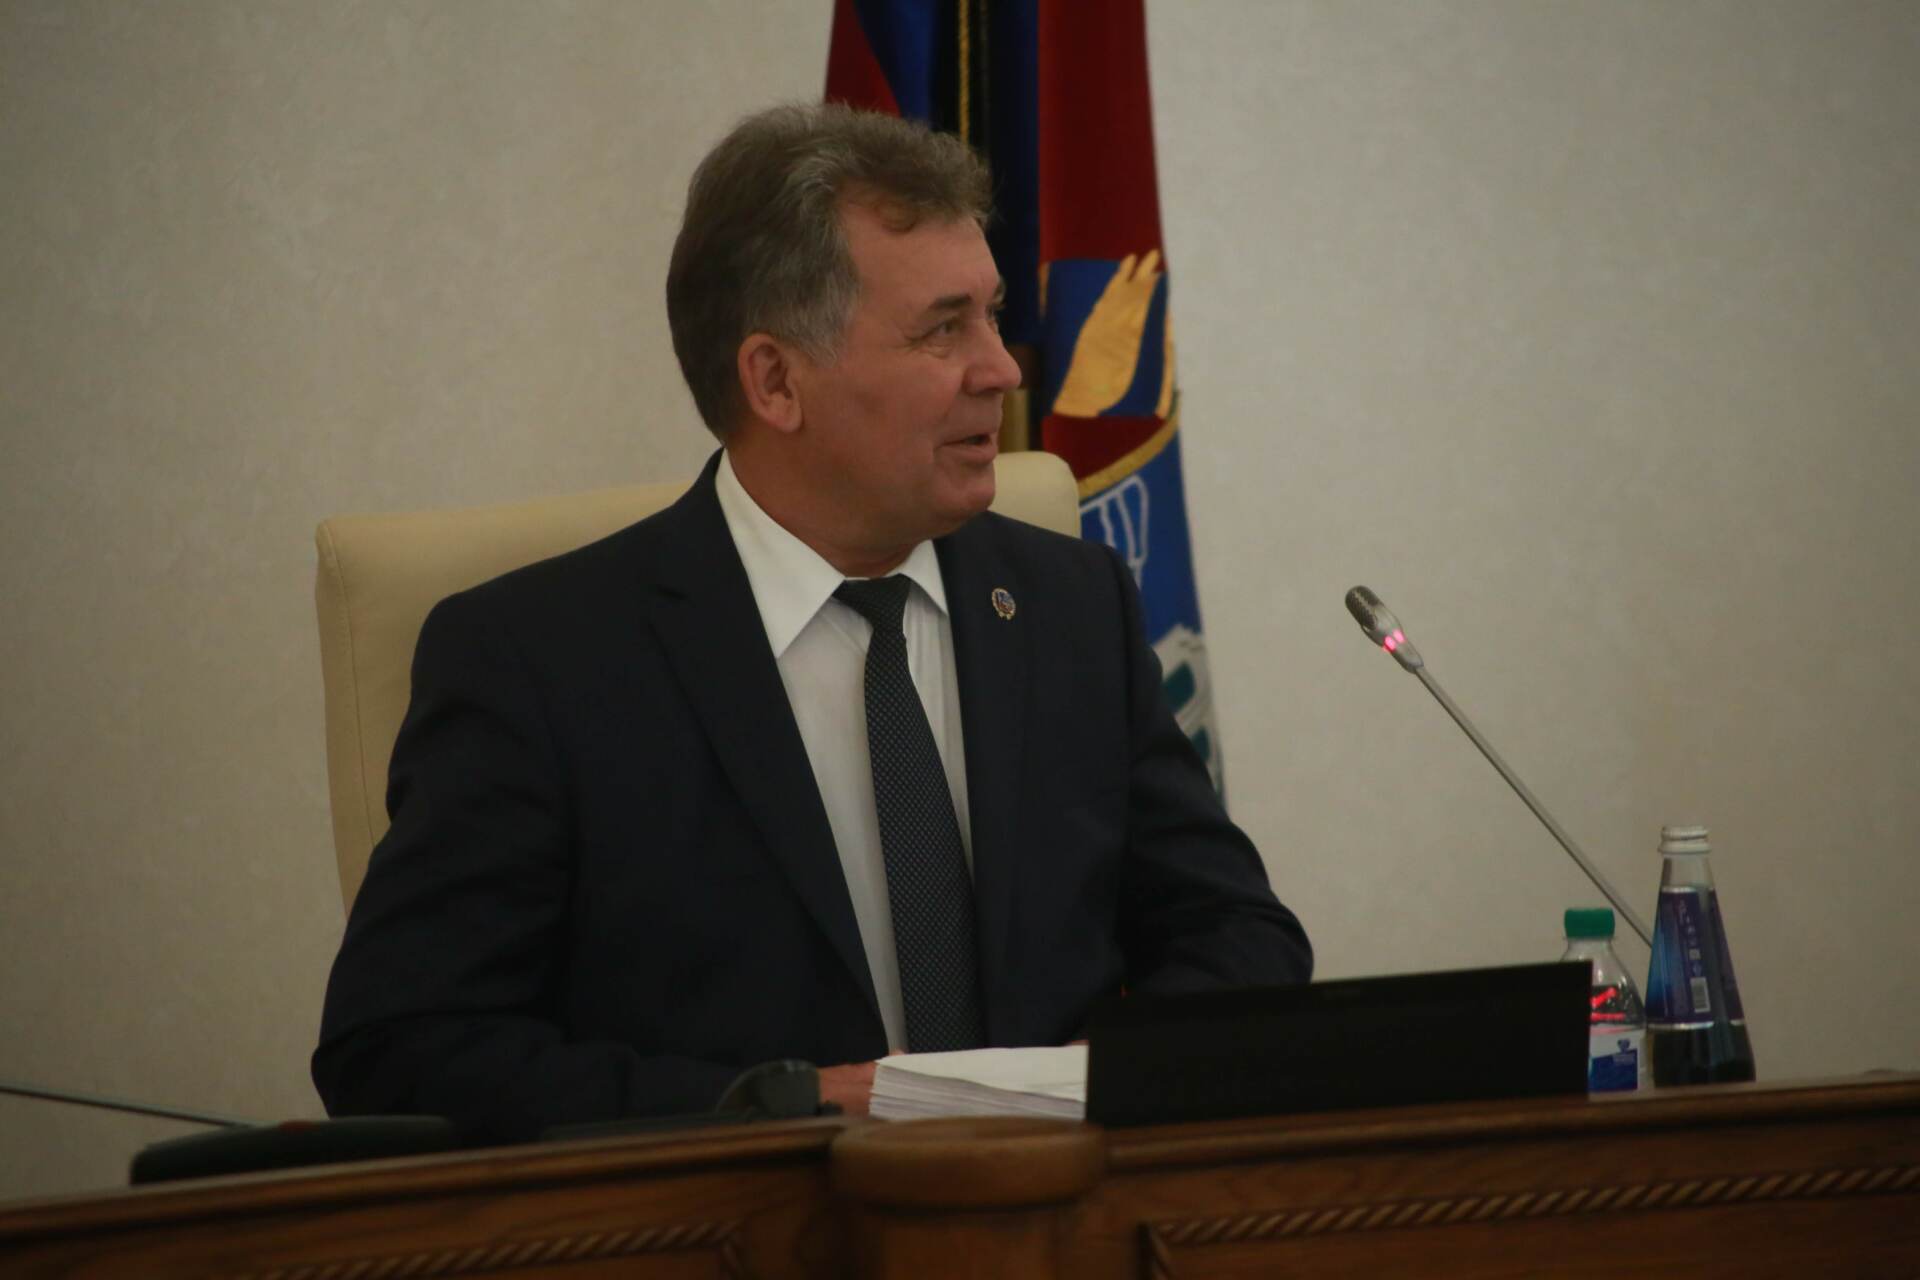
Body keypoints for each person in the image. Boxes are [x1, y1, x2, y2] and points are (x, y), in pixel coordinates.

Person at [314, 103, 1310, 1140]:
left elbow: (1238, 933)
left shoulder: (1070, 604)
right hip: (739, 1211)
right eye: (943, 328)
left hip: (1064, 1196)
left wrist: (1100, 1076)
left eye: (992, 313)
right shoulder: (540, 661)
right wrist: (792, 1103)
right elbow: (401, 1049)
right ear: (776, 380)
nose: (1004, 368)